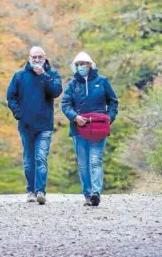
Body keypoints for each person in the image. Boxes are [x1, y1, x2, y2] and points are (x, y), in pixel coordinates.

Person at [61, 52, 118, 207]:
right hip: (78, 130)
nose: (81, 67)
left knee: (95, 160)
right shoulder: (72, 85)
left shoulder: (103, 82)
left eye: (83, 64)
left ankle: (96, 193)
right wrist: (74, 117)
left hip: (98, 128)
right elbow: (65, 104)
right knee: (83, 164)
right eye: (78, 64)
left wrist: (108, 118)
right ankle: (87, 194)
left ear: (90, 65)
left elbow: (113, 102)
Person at [7, 46, 62, 205]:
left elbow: (56, 92)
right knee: (29, 160)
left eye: (40, 57)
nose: (37, 60)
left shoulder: (52, 75)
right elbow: (11, 97)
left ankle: (40, 191)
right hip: (25, 125)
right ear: (29, 58)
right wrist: (19, 113)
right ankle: (30, 190)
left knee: (41, 158)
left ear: (45, 58)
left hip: (44, 125)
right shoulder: (19, 76)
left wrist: (43, 76)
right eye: (34, 57)